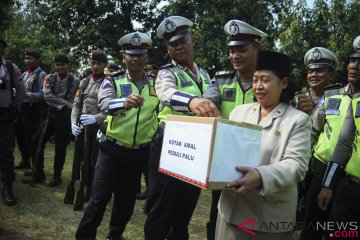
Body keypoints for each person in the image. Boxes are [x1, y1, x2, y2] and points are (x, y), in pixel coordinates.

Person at [216, 51, 311, 240]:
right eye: (255, 80)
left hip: (266, 219)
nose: (258, 86)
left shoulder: (297, 120)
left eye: (265, 80)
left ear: (283, 83)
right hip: (229, 209)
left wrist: (260, 176)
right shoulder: (239, 112)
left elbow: (296, 166)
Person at [76, 32, 158, 240]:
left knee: (126, 200)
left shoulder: (156, 84)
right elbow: (104, 104)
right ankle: (84, 236)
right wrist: (124, 102)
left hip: (138, 154)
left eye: (140, 54)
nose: (136, 58)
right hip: (111, 150)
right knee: (99, 199)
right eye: (131, 54)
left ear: (146, 57)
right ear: (124, 57)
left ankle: (114, 235)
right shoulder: (112, 80)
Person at [144, 16, 220, 240]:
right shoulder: (166, 72)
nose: (178, 47)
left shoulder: (205, 74)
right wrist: (192, 102)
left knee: (185, 209)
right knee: (161, 209)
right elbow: (166, 93)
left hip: (195, 147)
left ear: (192, 41)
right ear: (168, 50)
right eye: (172, 44)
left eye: (181, 41)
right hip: (169, 144)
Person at [202, 19, 267, 239]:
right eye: (231, 50)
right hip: (225, 162)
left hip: (260, 162)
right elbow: (209, 100)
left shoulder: (268, 81)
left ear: (257, 48)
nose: (235, 56)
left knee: (254, 219)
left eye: (242, 49)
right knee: (218, 214)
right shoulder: (220, 81)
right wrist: (209, 109)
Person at [317, 35, 360, 239]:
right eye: (353, 60)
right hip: (350, 190)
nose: (355, 65)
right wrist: (328, 184)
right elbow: (344, 144)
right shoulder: (356, 101)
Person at [299, 47, 341, 240]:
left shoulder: (339, 97)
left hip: (321, 167)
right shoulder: (296, 97)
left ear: (331, 74)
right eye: (311, 70)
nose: (314, 74)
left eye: (320, 70)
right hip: (299, 162)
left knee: (318, 216)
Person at [23, 54, 79, 186]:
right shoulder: (49, 78)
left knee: (60, 146)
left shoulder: (75, 80)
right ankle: (38, 173)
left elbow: (77, 99)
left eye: (62, 65)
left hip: (64, 117)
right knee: (36, 141)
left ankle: (57, 176)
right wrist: (66, 103)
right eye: (57, 65)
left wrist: (70, 106)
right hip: (50, 113)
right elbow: (48, 97)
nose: (60, 67)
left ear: (67, 65)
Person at [70, 50, 108, 202]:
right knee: (80, 159)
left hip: (98, 127)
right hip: (82, 126)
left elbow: (110, 110)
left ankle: (91, 189)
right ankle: (82, 183)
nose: (95, 66)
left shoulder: (108, 83)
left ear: (104, 65)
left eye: (99, 63)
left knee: (94, 160)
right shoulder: (84, 82)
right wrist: (73, 122)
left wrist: (95, 118)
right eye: (93, 63)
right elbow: (76, 104)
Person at [0, 34, 25, 206]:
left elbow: (21, 90)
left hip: (4, 115)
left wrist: (14, 107)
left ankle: (8, 188)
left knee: (6, 151)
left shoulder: (10, 67)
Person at [15, 48, 47, 170]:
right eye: (26, 58)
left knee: (31, 138)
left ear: (37, 60)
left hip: (33, 110)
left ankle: (35, 167)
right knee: (21, 137)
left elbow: (43, 95)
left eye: (30, 58)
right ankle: (25, 160)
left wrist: (26, 96)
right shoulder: (24, 73)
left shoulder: (41, 75)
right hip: (22, 110)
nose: (27, 61)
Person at [136, 63, 160, 201]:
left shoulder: (157, 85)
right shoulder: (146, 85)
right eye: (148, 71)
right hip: (143, 131)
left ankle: (151, 195)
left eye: (153, 71)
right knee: (145, 166)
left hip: (154, 132)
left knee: (151, 168)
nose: (150, 73)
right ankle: (146, 191)